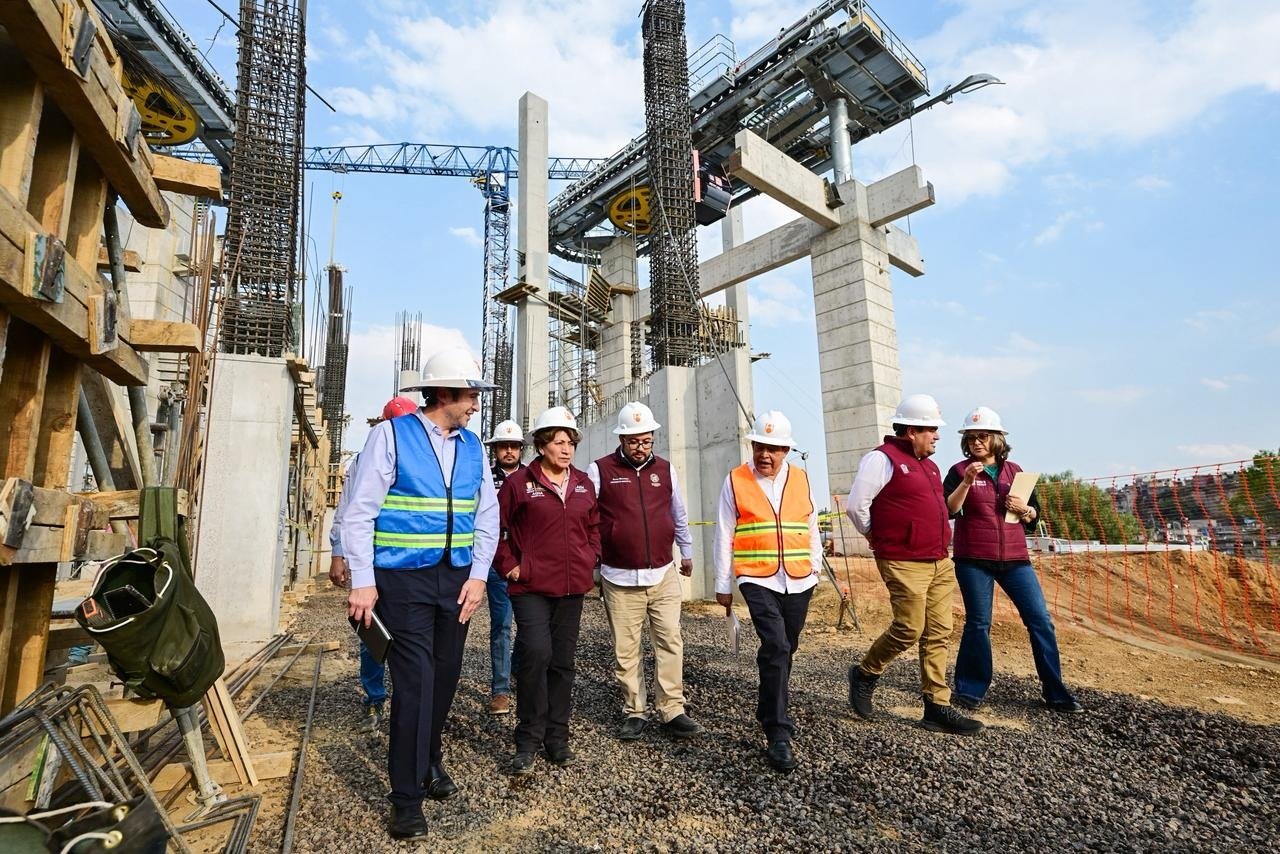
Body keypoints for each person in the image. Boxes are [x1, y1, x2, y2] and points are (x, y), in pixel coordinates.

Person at [342, 348, 500, 841]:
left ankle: (429, 759)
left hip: (456, 581)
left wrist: (478, 576)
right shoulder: (390, 436)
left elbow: (487, 516)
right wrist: (363, 580)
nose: (476, 403)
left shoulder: (473, 447)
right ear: (445, 393)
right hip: (402, 580)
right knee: (415, 682)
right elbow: (360, 511)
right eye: (471, 394)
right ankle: (406, 800)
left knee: (446, 677)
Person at [845, 394, 983, 736]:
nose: (937, 436)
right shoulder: (881, 459)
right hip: (902, 560)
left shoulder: (930, 467)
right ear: (911, 431)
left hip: (938, 560)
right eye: (931, 430)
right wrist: (874, 535)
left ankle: (936, 706)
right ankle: (865, 673)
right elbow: (856, 506)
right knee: (909, 628)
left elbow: (943, 510)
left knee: (939, 632)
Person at [944, 406, 1081, 713]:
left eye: (983, 436)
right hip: (973, 559)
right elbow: (950, 510)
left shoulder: (1016, 471)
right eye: (971, 437)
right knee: (979, 623)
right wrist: (966, 482)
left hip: (1016, 559)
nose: (977, 442)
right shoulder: (958, 471)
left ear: (998, 439)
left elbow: (1033, 515)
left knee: (1040, 621)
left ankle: (1055, 692)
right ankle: (970, 689)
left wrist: (1026, 510)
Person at [587, 402, 703, 742]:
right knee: (627, 649)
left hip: (663, 574)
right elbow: (588, 518)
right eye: (634, 441)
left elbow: (678, 513)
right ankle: (635, 710)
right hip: (619, 577)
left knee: (670, 641)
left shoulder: (665, 470)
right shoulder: (600, 470)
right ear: (621, 439)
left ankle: (672, 708)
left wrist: (687, 551)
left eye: (647, 441)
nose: (641, 448)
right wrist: (593, 560)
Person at [495, 406, 600, 776]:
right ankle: (528, 738)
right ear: (541, 446)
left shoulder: (584, 483)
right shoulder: (518, 484)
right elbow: (496, 530)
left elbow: (594, 526)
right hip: (531, 586)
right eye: (558, 442)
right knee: (536, 654)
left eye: (570, 442)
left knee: (562, 662)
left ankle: (557, 738)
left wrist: (591, 556)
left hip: (571, 587)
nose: (566, 448)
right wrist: (511, 565)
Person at [713, 410, 821, 773]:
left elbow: (811, 526)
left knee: (786, 647)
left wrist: (816, 569)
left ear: (786, 450)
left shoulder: (802, 479)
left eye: (773, 448)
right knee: (776, 645)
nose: (765, 454)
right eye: (759, 446)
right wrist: (722, 584)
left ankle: (767, 706)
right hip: (756, 577)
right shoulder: (736, 479)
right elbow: (724, 532)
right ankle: (778, 732)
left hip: (799, 578)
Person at [328, 396, 419, 733]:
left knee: (413, 634)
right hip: (374, 559)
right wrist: (339, 552)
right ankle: (375, 697)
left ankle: (412, 701)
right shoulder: (365, 460)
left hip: (411, 561)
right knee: (372, 629)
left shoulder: (423, 458)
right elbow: (349, 508)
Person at [483, 419, 526, 716]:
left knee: (530, 624)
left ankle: (517, 670)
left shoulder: (533, 477)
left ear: (521, 449)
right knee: (501, 625)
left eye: (513, 446)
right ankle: (500, 689)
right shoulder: (484, 477)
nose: (508, 451)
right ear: (495, 450)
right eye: (503, 446)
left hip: (523, 561)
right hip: (492, 560)